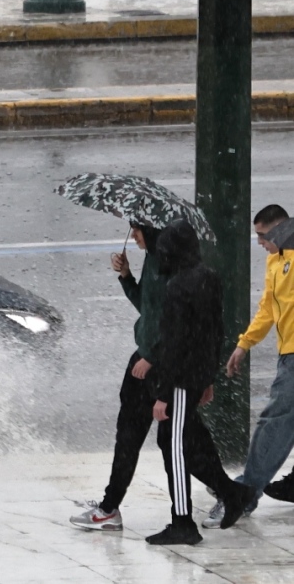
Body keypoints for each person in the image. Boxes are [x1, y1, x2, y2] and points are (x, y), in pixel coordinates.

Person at [145, 219, 253, 546]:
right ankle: (232, 492)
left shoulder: (178, 286)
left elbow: (176, 342)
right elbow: (212, 333)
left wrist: (164, 393)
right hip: (195, 378)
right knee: (181, 440)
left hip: (179, 382)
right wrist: (207, 378)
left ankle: (183, 522)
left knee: (174, 447)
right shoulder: (208, 278)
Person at [70, 224, 167, 531]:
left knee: (132, 436)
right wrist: (126, 276)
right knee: (170, 436)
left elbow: (169, 319)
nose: (133, 236)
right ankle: (228, 492)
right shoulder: (152, 259)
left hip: (152, 363)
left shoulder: (165, 264)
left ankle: (110, 507)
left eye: (137, 230)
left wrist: (150, 356)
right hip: (146, 357)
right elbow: (146, 308)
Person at [205, 204, 294, 526]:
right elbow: (268, 309)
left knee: (275, 422)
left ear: (280, 229)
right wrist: (244, 345)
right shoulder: (276, 260)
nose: (259, 243)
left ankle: (244, 491)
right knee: (280, 423)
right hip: (288, 354)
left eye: (262, 235)